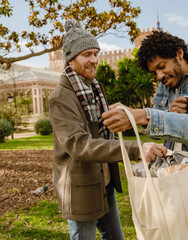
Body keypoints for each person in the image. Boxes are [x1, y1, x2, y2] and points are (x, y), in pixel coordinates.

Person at [102, 31, 188, 240]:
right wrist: (168, 116)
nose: (158, 76)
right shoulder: (166, 88)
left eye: (161, 67)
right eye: (153, 72)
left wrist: (143, 116)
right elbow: (159, 134)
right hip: (172, 178)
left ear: (179, 54)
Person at [48, 20, 167, 240]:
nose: (94, 60)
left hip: (104, 181)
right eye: (87, 55)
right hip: (80, 186)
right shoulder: (61, 98)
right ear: (71, 59)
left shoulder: (94, 88)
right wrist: (135, 149)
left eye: (96, 53)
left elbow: (103, 132)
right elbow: (80, 145)